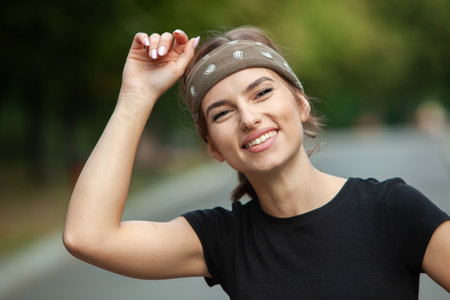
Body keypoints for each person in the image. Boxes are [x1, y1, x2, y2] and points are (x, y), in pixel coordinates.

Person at [63, 27, 450, 298]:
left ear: (300, 103)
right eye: (222, 114)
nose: (249, 118)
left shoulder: (393, 210)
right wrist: (136, 95)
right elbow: (88, 237)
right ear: (214, 148)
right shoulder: (223, 239)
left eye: (262, 92)